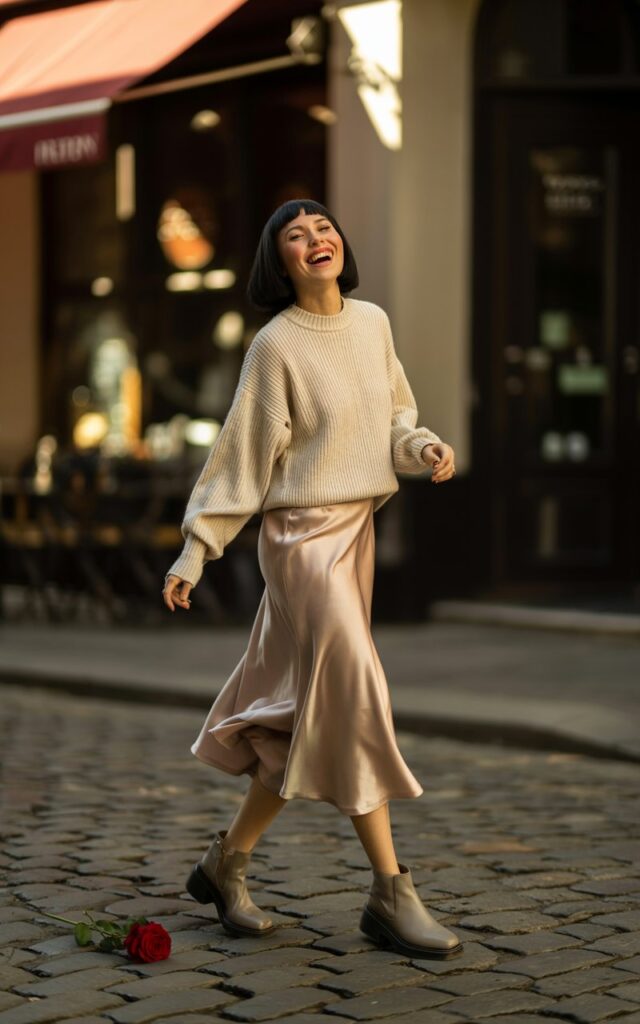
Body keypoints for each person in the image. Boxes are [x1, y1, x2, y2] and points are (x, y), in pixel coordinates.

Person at [163, 199, 461, 959]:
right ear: (281, 261)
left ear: (340, 245)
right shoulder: (275, 345)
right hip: (298, 539)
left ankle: (225, 863)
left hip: (356, 533)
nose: (315, 238)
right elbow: (241, 456)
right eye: (295, 235)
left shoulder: (373, 324)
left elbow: (393, 419)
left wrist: (422, 447)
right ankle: (390, 891)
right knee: (354, 687)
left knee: (305, 715)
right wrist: (197, 549)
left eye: (323, 227)